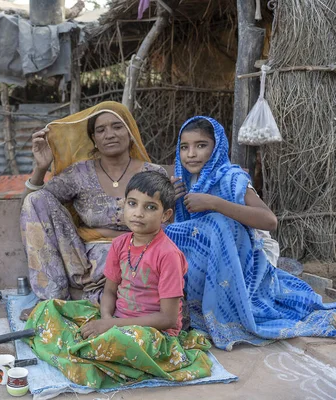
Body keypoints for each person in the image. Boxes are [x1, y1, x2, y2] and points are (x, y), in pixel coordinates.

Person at [23, 171, 212, 389]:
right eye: (132, 204)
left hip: (152, 334)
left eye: (150, 207)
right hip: (117, 319)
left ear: (166, 215)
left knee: (119, 342)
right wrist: (105, 318)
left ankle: (86, 350)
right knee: (48, 309)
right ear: (124, 205)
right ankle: (91, 348)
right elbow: (110, 291)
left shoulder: (168, 254)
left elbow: (168, 319)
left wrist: (111, 326)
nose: (138, 213)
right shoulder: (120, 244)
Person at [164, 116, 336, 350]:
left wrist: (214, 203)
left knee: (217, 222)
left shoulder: (232, 177)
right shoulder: (186, 181)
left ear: (217, 148)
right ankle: (194, 303)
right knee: (171, 232)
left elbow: (269, 221)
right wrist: (172, 201)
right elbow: (188, 230)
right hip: (212, 257)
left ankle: (225, 313)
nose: (191, 154)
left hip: (248, 257)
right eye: (185, 147)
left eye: (201, 145)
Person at [20, 101, 167, 319]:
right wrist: (41, 168)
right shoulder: (79, 173)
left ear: (130, 132)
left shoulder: (153, 173)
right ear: (94, 140)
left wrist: (111, 238)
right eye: (101, 130)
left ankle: (96, 301)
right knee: (37, 199)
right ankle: (52, 300)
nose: (109, 134)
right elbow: (31, 208)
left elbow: (164, 226)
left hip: (136, 257)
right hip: (82, 262)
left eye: (117, 127)